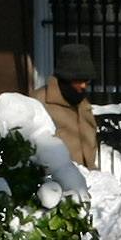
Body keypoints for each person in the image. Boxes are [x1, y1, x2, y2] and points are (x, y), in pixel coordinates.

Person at [40, 41, 102, 171]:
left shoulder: (83, 104)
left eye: (87, 81)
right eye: (78, 80)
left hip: (88, 182)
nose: (84, 86)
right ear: (65, 78)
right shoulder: (39, 103)